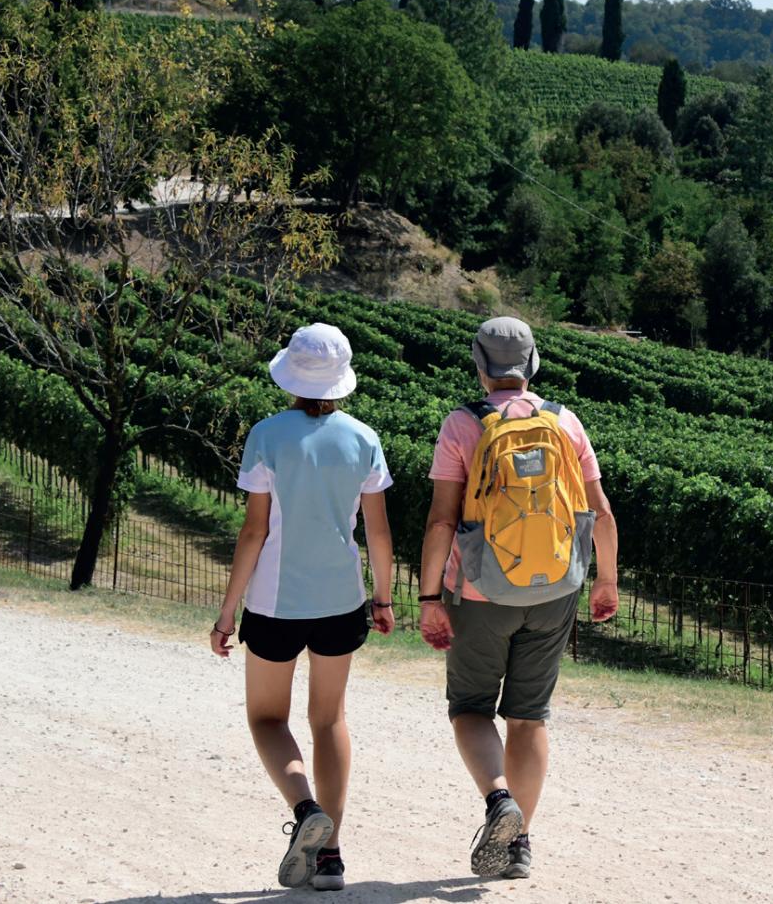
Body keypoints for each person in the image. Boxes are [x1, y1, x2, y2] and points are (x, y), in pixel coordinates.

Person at [417, 316, 620, 880]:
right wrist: (606, 580)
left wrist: (430, 595)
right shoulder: (565, 422)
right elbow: (600, 512)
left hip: (481, 590)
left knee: (472, 708)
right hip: (557, 588)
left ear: (480, 367)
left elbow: (441, 522)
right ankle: (520, 843)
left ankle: (497, 800)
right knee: (529, 718)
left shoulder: (463, 425)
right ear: (532, 366)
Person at [210, 323, 396, 893]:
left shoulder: (267, 435)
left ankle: (304, 807)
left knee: (267, 718)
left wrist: (226, 613)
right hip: (342, 600)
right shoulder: (364, 438)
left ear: (290, 375)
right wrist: (383, 598)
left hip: (274, 602)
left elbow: (253, 532)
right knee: (330, 720)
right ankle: (331, 857)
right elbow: (380, 532)